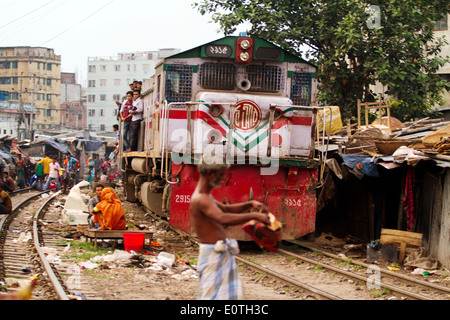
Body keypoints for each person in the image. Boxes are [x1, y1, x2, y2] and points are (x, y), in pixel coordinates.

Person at [189, 159, 270, 300]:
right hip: (212, 255)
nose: (223, 178)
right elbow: (222, 218)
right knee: (211, 296)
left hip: (218, 254)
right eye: (220, 174)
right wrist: (254, 215)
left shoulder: (206, 196)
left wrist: (250, 204)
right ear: (209, 174)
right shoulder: (201, 199)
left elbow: (226, 208)